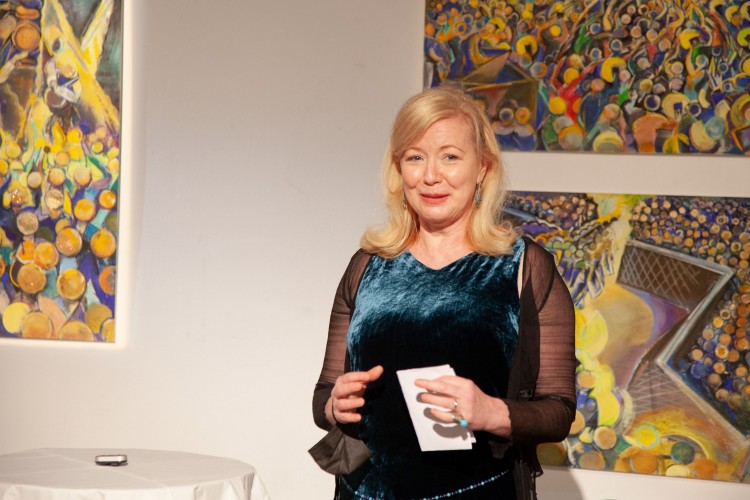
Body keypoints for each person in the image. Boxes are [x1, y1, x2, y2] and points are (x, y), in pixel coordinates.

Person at [312, 86, 575, 499]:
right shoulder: (366, 266)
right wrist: (335, 405)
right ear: (398, 169)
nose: (431, 176)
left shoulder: (525, 268)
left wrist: (491, 411)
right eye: (415, 158)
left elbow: (558, 411)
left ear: (483, 167)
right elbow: (323, 396)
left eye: (450, 157)